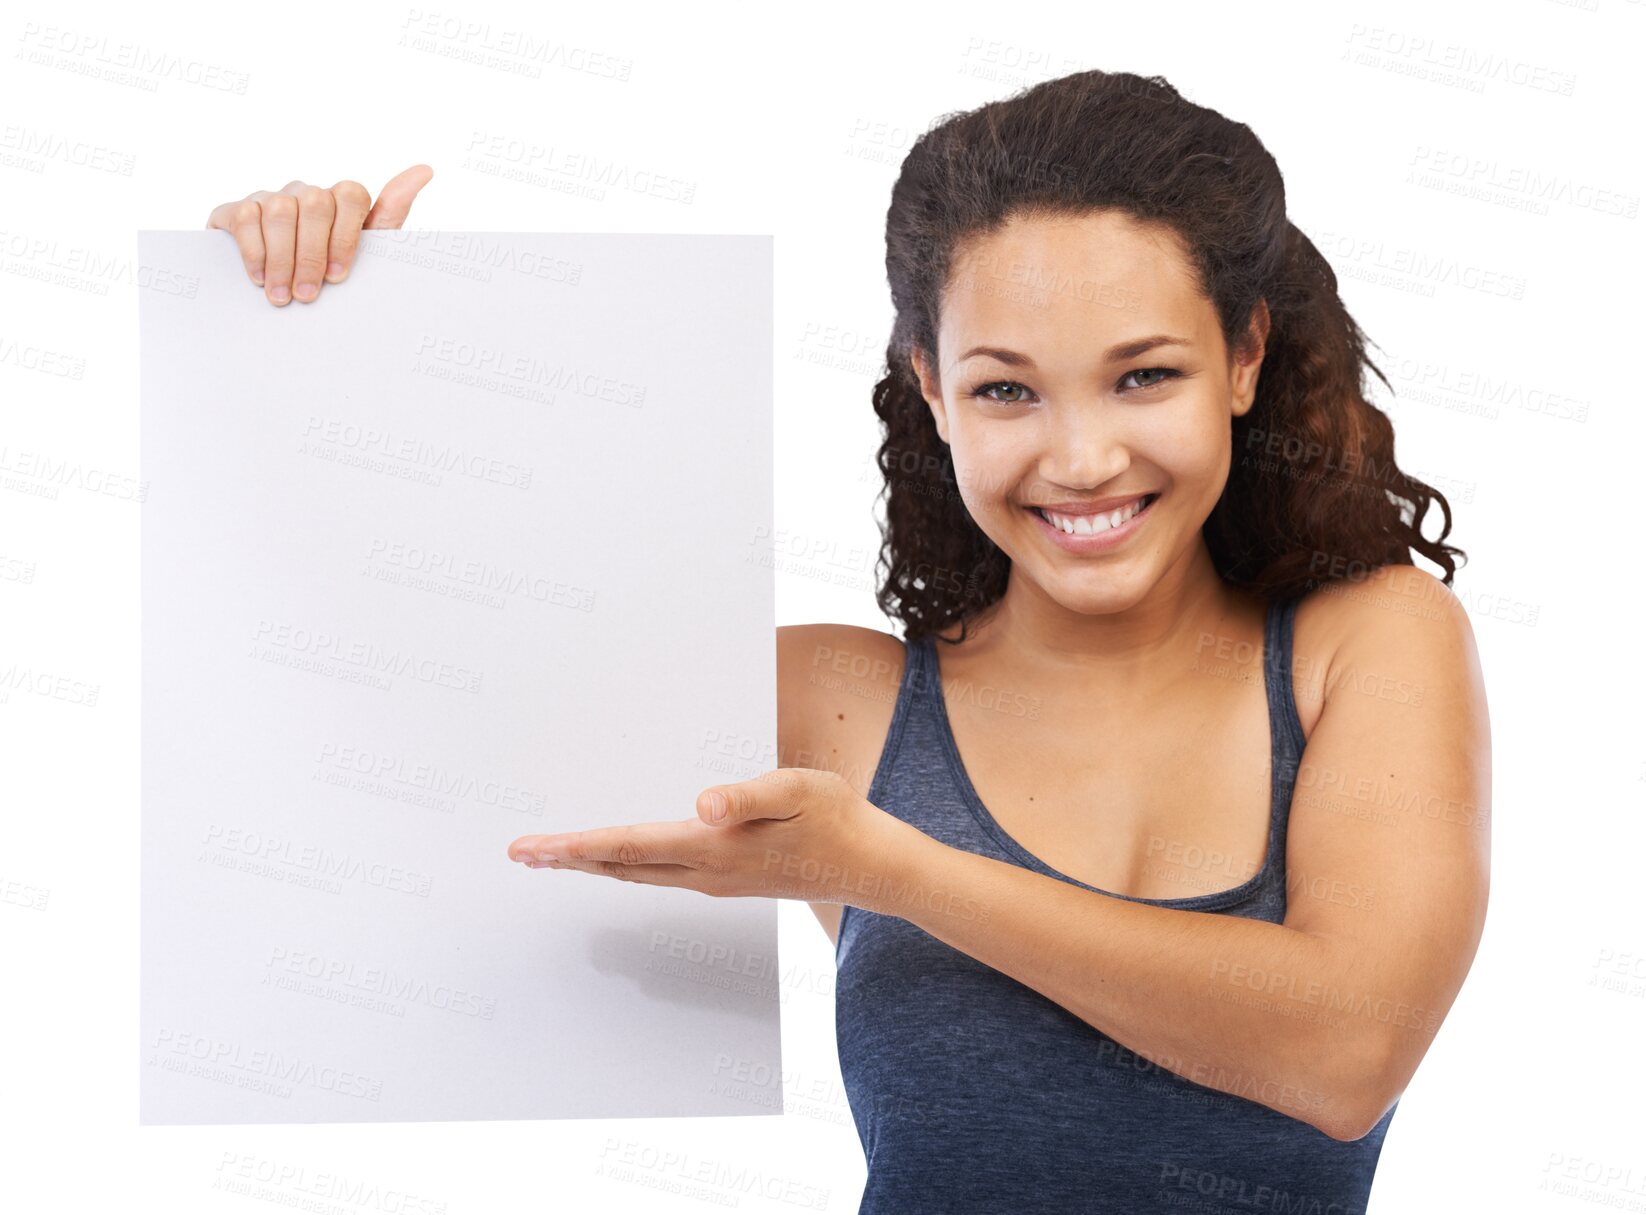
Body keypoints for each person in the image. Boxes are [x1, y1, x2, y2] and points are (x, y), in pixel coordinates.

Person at [208, 70, 1490, 1213]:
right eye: (1004, 388)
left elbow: (1341, 1050)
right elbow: (385, 730)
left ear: (1244, 357)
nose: (1081, 456)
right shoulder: (830, 699)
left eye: (1142, 375)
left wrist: (898, 871)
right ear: (930, 390)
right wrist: (335, 334)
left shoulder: (1363, 647)